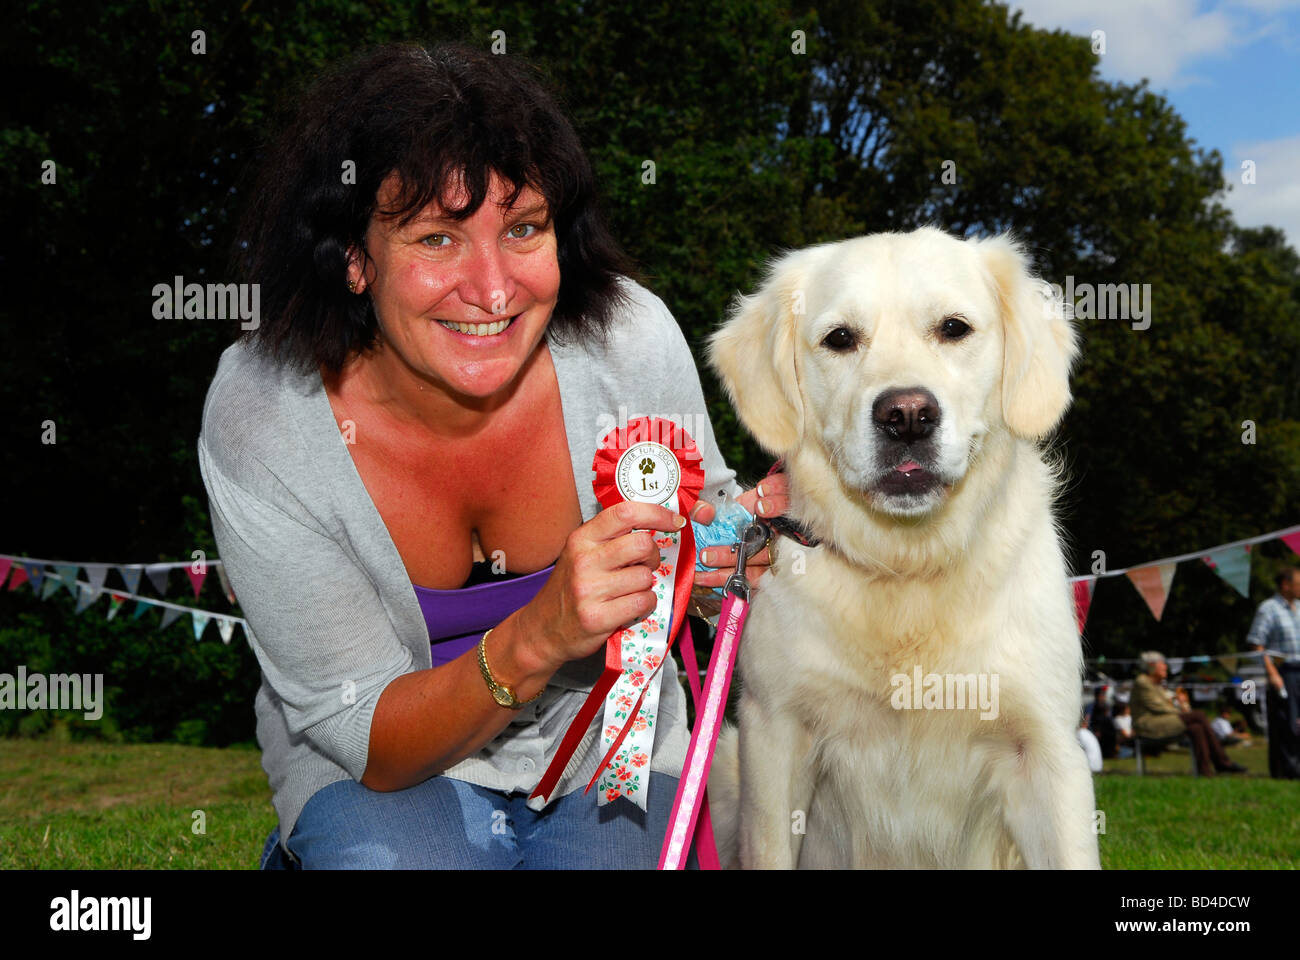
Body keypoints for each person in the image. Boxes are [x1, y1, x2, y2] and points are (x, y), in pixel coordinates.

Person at [199, 42, 790, 869]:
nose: (493, 289)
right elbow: (370, 738)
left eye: (522, 229)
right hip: (384, 772)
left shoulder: (630, 340)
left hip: (606, 755)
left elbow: (710, 543)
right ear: (354, 259)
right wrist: (538, 633)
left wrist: (762, 537)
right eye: (437, 239)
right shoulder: (265, 417)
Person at [1130, 652, 1247, 777]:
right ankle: (1222, 762)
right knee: (1199, 715)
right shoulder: (1142, 682)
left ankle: (1205, 771)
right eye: (1162, 664)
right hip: (1149, 725)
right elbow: (1158, 707)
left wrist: (1180, 707)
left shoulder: (1157, 685)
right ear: (1151, 665)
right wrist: (1183, 713)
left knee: (1196, 728)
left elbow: (1166, 705)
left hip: (1163, 721)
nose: (1165, 667)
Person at [1245, 567, 1300, 779]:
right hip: (1282, 671)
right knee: (1287, 722)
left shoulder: (1298, 608)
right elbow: (1256, 644)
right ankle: (1287, 771)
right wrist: (1272, 674)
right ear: (1286, 584)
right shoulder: (1269, 608)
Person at [1088, 686, 1116, 758]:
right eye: (1101, 695)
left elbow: (1110, 720)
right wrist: (1094, 731)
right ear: (1097, 696)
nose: (1103, 697)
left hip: (1107, 731)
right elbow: (1088, 720)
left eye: (1104, 695)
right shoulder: (1091, 707)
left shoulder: (1107, 706)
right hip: (1095, 731)